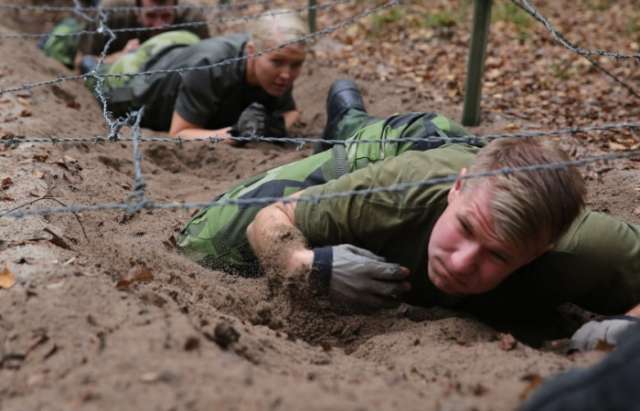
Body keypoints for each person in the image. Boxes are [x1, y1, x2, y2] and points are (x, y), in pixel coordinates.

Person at [177, 80, 640, 348]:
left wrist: (629, 331)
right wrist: (305, 265)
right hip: (415, 145)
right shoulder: (402, 191)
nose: (460, 263)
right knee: (205, 246)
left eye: (497, 255)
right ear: (457, 192)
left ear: (542, 250)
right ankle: (350, 121)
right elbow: (271, 220)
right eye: (464, 229)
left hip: (477, 165)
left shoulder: (589, 249)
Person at [98, 10, 307, 140]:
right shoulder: (210, 67)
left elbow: (291, 112)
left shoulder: (277, 60)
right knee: (98, 77)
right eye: (277, 62)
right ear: (252, 51)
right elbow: (180, 132)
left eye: (296, 65)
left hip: (182, 51)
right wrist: (237, 134)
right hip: (134, 81)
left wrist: (272, 127)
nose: (287, 75)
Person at [39, 0, 209, 71]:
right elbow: (80, 64)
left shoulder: (192, 19)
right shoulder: (112, 13)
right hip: (80, 41)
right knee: (64, 39)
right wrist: (120, 57)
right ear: (137, 10)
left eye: (166, 17)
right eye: (151, 16)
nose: (159, 26)